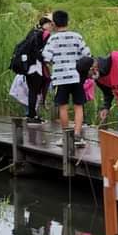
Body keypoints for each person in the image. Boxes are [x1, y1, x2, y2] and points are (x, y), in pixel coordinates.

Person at [41, 9, 92, 139]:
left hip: (60, 78)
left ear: (54, 24)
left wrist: (53, 65)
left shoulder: (53, 39)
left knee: (63, 106)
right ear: (67, 21)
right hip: (77, 77)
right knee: (78, 106)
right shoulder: (77, 36)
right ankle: (77, 133)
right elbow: (87, 55)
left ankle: (66, 136)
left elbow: (46, 58)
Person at [10, 14, 53, 119]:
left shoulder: (33, 31)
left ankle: (31, 115)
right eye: (51, 24)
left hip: (28, 67)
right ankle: (33, 116)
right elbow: (41, 52)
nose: (52, 27)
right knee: (35, 91)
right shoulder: (45, 33)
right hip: (36, 67)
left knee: (32, 92)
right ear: (46, 24)